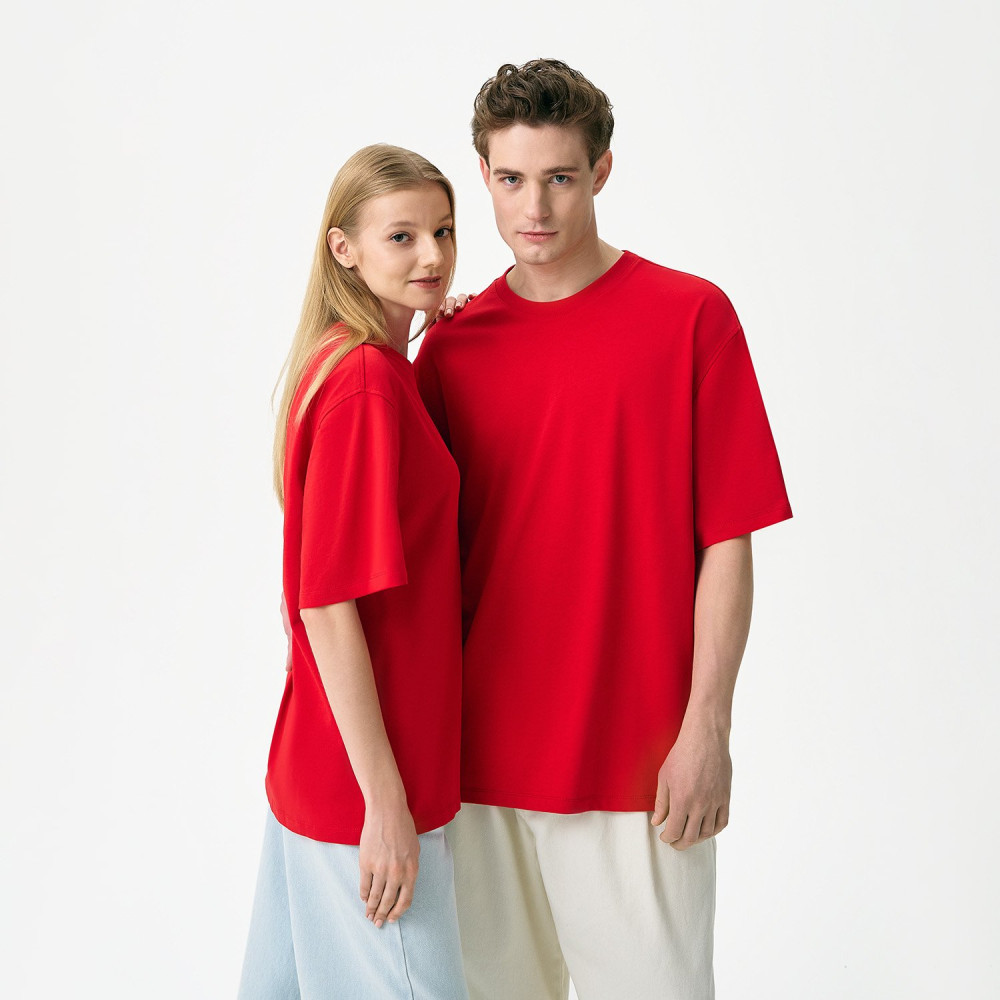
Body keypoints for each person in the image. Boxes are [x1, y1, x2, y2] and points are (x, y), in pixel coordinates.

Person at [415, 59, 793, 1000]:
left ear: (602, 171)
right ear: (482, 174)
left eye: (560, 177)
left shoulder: (691, 318)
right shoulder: (452, 348)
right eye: (510, 179)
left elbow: (729, 542)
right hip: (476, 770)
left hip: (640, 769)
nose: (534, 207)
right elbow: (412, 560)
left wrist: (708, 727)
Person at [238, 144, 469, 1000]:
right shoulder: (367, 384)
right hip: (365, 793)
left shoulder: (351, 364)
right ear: (344, 248)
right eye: (401, 236)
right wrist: (386, 804)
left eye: (443, 231)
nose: (432, 255)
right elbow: (326, 606)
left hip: (318, 770)